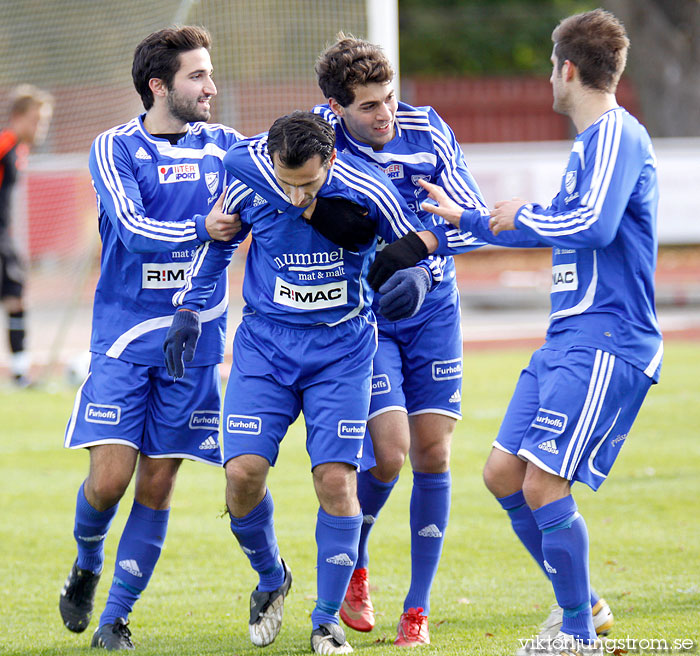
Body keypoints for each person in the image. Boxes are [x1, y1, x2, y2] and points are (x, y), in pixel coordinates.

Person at [420, 9, 661, 655]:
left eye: (551, 67)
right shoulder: (589, 147)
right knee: (503, 474)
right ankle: (583, 605)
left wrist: (519, 213)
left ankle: (577, 633)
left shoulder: (615, 135)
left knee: (541, 482)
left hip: (608, 337)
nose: (549, 78)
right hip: (568, 340)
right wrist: (463, 217)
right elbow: (549, 223)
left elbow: (595, 224)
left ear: (568, 69)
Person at [163, 110, 439, 655]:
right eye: (286, 184)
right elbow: (218, 246)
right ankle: (271, 577)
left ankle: (326, 621)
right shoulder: (249, 179)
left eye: (308, 184)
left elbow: (418, 245)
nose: (294, 197)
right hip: (265, 348)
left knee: (337, 481)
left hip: (342, 351)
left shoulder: (369, 188)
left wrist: (416, 279)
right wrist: (190, 309)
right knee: (242, 474)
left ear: (332, 160)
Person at [58, 26, 245, 650]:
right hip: (124, 336)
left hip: (196, 340)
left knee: (158, 484)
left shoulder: (225, 145)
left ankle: (114, 619)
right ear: (158, 85)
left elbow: (296, 160)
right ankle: (86, 561)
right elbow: (135, 231)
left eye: (210, 73)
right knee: (109, 481)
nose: (210, 86)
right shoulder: (113, 147)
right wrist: (206, 228)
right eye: (197, 75)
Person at [311, 34, 488, 646]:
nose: (385, 114)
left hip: (436, 311)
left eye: (388, 98)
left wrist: (421, 247)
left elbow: (475, 220)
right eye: (367, 106)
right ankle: (355, 564)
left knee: (433, 453)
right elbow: (278, 182)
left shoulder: (428, 130)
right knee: (389, 452)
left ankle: (417, 608)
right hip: (368, 318)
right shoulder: (318, 141)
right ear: (335, 107)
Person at [0, 84, 53, 387]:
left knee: (15, 298)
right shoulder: (5, 142)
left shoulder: (18, 150)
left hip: (3, 237)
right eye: (37, 120)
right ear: (19, 117)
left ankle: (20, 375)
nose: (41, 128)